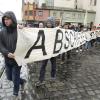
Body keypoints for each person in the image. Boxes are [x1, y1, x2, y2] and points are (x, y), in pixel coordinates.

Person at [0, 11, 26, 99]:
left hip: (17, 60)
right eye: (4, 19)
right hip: (7, 60)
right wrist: (6, 53)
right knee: (9, 77)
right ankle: (22, 81)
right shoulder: (2, 32)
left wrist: (24, 29)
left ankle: (15, 93)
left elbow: (27, 39)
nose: (5, 21)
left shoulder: (19, 30)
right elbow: (1, 45)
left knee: (15, 78)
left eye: (7, 19)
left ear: (12, 19)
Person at [36, 17, 56, 86]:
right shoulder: (44, 30)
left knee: (54, 65)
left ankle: (53, 76)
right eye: (47, 22)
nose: (48, 24)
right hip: (46, 51)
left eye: (50, 22)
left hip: (53, 51)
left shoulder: (55, 30)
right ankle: (41, 80)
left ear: (52, 23)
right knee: (43, 65)